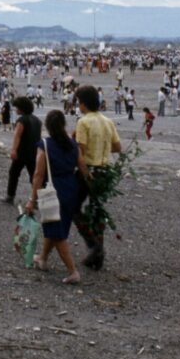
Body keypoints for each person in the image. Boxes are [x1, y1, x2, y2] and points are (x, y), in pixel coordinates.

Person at [24, 110, 87, 284]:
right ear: (64, 124)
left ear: (48, 126)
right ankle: (42, 259)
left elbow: (38, 174)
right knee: (56, 226)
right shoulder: (73, 144)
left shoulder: (44, 144)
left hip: (53, 191)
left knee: (57, 232)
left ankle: (73, 271)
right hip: (71, 188)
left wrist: (32, 199)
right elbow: (82, 166)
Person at [72, 85, 122, 271]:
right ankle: (98, 253)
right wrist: (101, 146)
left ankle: (93, 245)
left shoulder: (83, 122)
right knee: (97, 209)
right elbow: (117, 147)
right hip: (104, 171)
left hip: (88, 170)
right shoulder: (108, 121)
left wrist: (85, 173)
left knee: (73, 208)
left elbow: (80, 153)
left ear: (83, 104)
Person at [0, 96, 41, 204]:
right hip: (34, 152)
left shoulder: (22, 120)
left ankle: (10, 196)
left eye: (17, 107)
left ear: (21, 108)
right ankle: (36, 199)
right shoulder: (37, 120)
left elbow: (17, 135)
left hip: (22, 153)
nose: (15, 109)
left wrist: (13, 150)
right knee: (34, 176)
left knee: (14, 173)